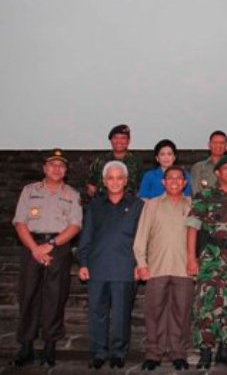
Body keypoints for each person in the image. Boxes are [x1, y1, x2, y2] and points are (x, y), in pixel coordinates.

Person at [10, 149, 82, 367]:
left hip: (58, 247)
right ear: (44, 168)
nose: (56, 168)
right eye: (52, 164)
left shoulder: (72, 194)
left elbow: (75, 225)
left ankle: (49, 345)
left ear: (66, 170)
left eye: (61, 166)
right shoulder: (29, 191)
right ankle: (26, 345)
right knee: (29, 294)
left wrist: (49, 246)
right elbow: (20, 222)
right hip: (31, 245)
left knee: (55, 295)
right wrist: (35, 248)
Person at [186, 155, 227, 368]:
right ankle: (205, 352)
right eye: (226, 168)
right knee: (207, 304)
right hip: (212, 257)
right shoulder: (205, 196)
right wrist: (191, 258)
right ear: (217, 172)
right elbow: (192, 227)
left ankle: (225, 350)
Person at [78, 161, 144, 369]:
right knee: (97, 312)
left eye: (119, 178)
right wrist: (83, 262)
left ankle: (118, 352)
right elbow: (86, 235)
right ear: (104, 181)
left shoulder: (137, 205)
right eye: (110, 178)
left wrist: (140, 264)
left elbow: (143, 238)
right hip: (97, 267)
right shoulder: (95, 205)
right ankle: (99, 352)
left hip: (125, 267)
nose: (115, 182)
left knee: (121, 315)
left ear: (125, 181)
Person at [133, 166, 192, 371]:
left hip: (183, 269)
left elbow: (199, 238)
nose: (175, 181)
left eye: (179, 178)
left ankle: (178, 352)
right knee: (154, 312)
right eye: (170, 178)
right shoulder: (152, 205)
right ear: (163, 182)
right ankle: (153, 353)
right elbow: (141, 237)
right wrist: (141, 264)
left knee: (181, 313)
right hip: (156, 268)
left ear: (185, 183)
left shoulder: (193, 206)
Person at [86, 124, 143, 197]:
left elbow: (142, 186)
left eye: (123, 138)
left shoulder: (136, 161)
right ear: (111, 140)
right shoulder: (100, 161)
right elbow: (90, 185)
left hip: (130, 204)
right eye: (115, 138)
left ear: (128, 141)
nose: (119, 141)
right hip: (103, 204)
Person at [190, 130, 227, 195]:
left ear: (226, 146)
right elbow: (195, 192)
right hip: (204, 203)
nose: (218, 145)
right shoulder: (198, 167)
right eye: (215, 142)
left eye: (222, 143)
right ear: (209, 145)